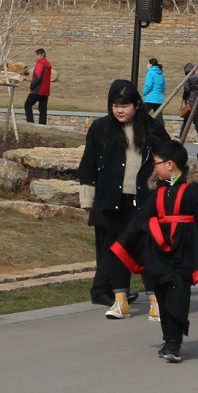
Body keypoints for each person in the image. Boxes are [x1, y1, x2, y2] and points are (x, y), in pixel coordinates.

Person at [111, 139, 198, 363]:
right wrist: (121, 244)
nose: (155, 168)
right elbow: (140, 220)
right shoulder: (157, 193)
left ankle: (175, 343)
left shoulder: (195, 193)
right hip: (158, 253)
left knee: (178, 296)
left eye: (157, 164)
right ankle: (168, 338)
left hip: (184, 253)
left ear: (170, 165)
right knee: (162, 295)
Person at [79, 79, 156, 317]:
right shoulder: (100, 128)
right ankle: (120, 299)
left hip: (144, 201)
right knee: (117, 250)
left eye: (125, 105)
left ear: (137, 105)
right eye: (115, 105)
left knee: (147, 251)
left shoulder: (151, 128)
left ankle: (156, 300)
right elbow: (89, 164)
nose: (120, 110)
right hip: (112, 201)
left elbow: (169, 160)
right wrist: (87, 200)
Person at [179, 62, 198, 140]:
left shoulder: (188, 78)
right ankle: (181, 136)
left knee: (194, 119)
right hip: (197, 101)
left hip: (190, 101)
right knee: (187, 119)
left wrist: (184, 98)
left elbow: (186, 90)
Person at [24, 48, 52, 125]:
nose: (35, 57)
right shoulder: (48, 64)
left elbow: (37, 76)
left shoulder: (40, 64)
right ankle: (42, 124)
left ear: (40, 55)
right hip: (45, 90)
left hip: (37, 90)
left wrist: (31, 86)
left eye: (36, 55)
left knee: (27, 105)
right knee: (43, 109)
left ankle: (30, 121)